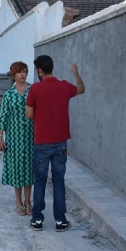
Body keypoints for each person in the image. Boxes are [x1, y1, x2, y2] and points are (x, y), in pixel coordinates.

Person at [25, 55, 85, 232]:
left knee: (40, 180)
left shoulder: (35, 89)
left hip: (41, 143)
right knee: (59, 181)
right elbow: (81, 88)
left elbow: (28, 115)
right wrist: (76, 72)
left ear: (40, 71)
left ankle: (37, 220)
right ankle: (60, 220)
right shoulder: (65, 86)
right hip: (60, 143)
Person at [0, 61, 34, 216]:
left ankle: (28, 202)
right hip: (14, 138)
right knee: (16, 170)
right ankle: (18, 202)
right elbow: (3, 115)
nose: (23, 74)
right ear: (14, 74)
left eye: (25, 71)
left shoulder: (33, 90)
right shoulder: (9, 94)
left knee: (28, 170)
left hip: (30, 136)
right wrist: (0, 136)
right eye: (20, 72)